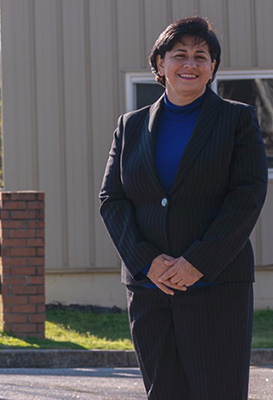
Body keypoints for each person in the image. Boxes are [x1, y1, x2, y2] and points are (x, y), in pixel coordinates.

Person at [98, 16, 268, 400]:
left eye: (201, 56)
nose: (190, 64)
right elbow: (112, 199)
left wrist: (198, 262)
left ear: (212, 68)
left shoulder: (237, 119)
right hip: (149, 287)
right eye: (179, 55)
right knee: (163, 392)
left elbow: (247, 195)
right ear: (160, 64)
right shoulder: (131, 125)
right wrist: (147, 261)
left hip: (216, 285)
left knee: (218, 391)